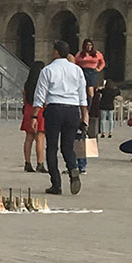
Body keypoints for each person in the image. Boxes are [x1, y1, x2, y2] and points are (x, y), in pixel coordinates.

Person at [33, 40, 87, 196]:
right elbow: (82, 95)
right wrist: (84, 115)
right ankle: (73, 169)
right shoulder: (77, 70)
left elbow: (40, 95)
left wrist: (34, 115)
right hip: (72, 110)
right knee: (67, 146)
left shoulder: (48, 70)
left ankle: (56, 184)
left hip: (55, 108)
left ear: (56, 52)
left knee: (52, 147)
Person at [21, 62, 48, 174]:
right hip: (39, 110)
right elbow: (44, 99)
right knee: (40, 138)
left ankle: (27, 163)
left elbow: (24, 96)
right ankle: (40, 163)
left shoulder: (27, 84)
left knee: (28, 138)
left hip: (28, 109)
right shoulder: (41, 83)